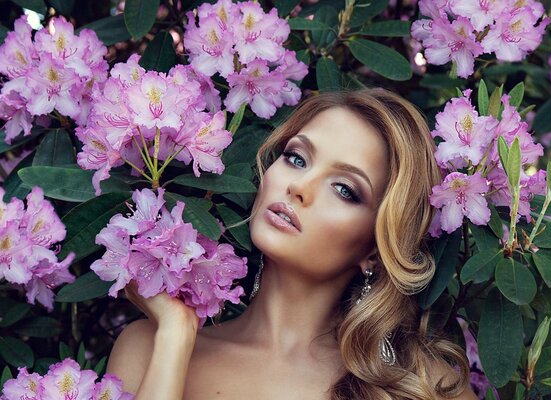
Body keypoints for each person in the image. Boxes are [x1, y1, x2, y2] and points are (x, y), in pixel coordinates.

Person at [107, 88, 478, 399]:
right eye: (296, 158)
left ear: (374, 251)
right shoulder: (149, 346)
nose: (299, 187)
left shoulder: (425, 385)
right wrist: (175, 335)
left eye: (344, 189)